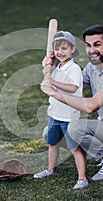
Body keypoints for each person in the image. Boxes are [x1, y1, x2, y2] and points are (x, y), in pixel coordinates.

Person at [40, 25, 103, 189]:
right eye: (88, 45)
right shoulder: (92, 68)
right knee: (49, 134)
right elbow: (75, 87)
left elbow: (91, 106)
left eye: (97, 44)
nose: (92, 50)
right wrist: (52, 66)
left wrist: (54, 93)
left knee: (75, 128)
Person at [33, 31, 83, 179]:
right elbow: (48, 77)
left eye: (64, 48)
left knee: (74, 148)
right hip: (54, 114)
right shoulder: (58, 68)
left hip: (69, 116)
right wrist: (46, 67)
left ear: (72, 49)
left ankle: (82, 178)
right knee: (52, 143)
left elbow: (72, 87)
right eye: (57, 49)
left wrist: (52, 81)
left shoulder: (74, 69)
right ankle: (51, 170)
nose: (60, 52)